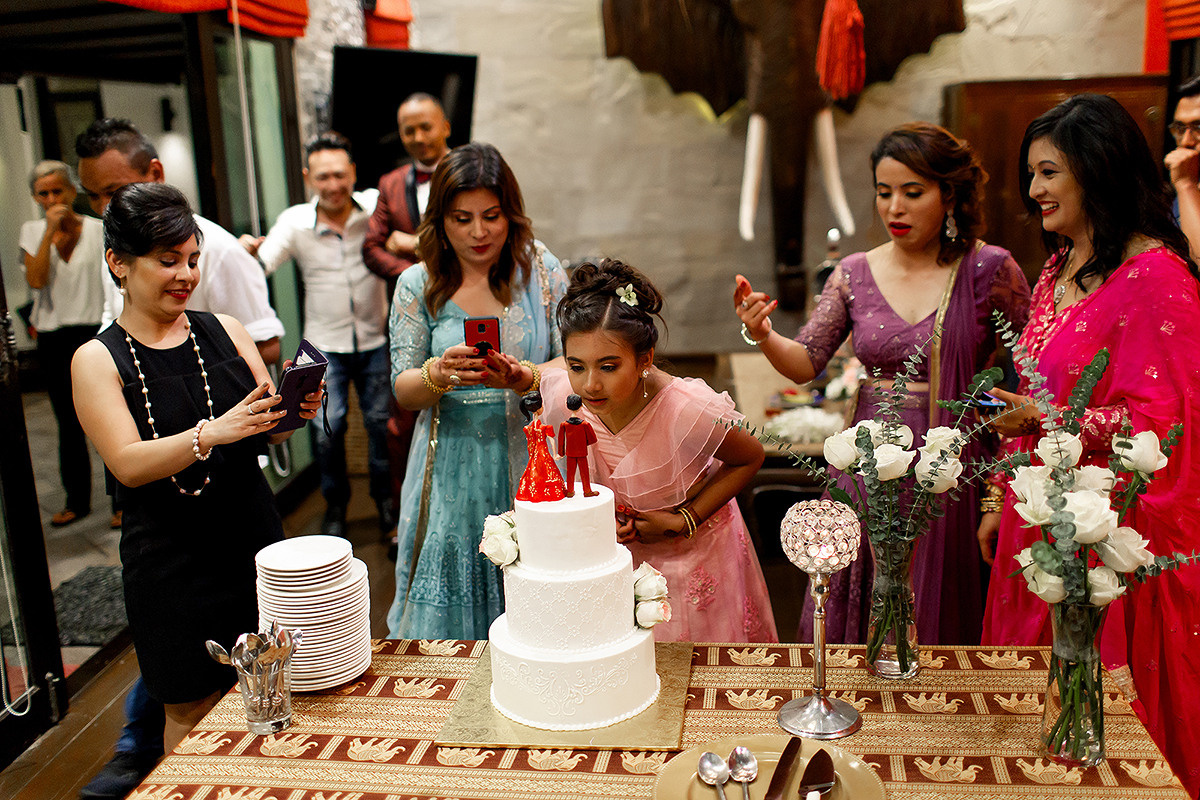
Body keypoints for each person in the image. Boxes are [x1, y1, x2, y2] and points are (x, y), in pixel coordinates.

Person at [978, 93, 1200, 796]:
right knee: (1026, 730)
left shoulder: (1159, 277)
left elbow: (1169, 422)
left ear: (1096, 169)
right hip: (1040, 511)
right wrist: (1002, 477)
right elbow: (1040, 391)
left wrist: (1053, 421)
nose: (1034, 190)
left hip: (1111, 527)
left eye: (1048, 172)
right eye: (1033, 174)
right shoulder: (1057, 267)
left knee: (1098, 734)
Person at [734, 122, 1031, 647]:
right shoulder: (854, 271)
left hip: (950, 469)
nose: (894, 207)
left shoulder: (989, 269)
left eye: (912, 193)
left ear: (951, 195)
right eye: (883, 192)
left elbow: (1030, 376)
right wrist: (761, 333)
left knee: (936, 613)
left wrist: (999, 489)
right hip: (867, 465)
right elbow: (806, 361)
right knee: (860, 603)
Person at [70, 184, 321, 785]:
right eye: (167, 260)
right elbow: (127, 462)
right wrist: (214, 431)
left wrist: (291, 413)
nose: (185, 274)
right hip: (171, 561)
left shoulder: (225, 329)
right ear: (118, 263)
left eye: (191, 259)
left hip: (253, 542)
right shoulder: (96, 360)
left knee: (278, 690)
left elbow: (263, 431)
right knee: (187, 706)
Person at [536, 258, 777, 643]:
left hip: (695, 560)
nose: (590, 385)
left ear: (644, 359)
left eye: (609, 367)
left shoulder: (687, 408)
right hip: (622, 562)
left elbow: (751, 456)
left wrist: (685, 520)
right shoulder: (570, 395)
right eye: (577, 366)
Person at [386, 142, 568, 640]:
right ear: (439, 221)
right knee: (450, 630)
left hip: (529, 456)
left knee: (535, 601)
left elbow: (574, 365)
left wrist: (524, 375)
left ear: (511, 214)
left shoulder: (542, 274)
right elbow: (402, 388)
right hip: (447, 465)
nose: (479, 232)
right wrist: (437, 375)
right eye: (462, 219)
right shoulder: (417, 285)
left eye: (492, 216)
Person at [242, 131, 391, 539]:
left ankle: (386, 507)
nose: (333, 185)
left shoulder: (376, 208)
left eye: (340, 175)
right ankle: (336, 508)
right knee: (329, 430)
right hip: (324, 344)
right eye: (323, 176)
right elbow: (263, 264)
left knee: (381, 425)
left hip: (377, 337)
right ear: (309, 177)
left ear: (353, 173)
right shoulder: (294, 222)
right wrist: (244, 253)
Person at [364, 93, 454, 554]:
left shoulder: (471, 172)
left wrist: (417, 247)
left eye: (425, 127)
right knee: (399, 424)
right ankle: (409, 518)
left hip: (466, 307)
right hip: (411, 315)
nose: (418, 138)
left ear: (446, 126)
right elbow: (372, 247)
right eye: (408, 131)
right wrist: (419, 277)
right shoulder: (391, 182)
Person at [19, 161, 105, 527]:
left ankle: (121, 502)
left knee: (108, 415)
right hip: (54, 336)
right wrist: (48, 232)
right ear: (35, 198)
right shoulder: (30, 231)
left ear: (73, 191)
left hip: (94, 330)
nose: (53, 198)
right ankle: (77, 500)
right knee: (67, 422)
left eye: (59, 190)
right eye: (44, 193)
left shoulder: (100, 230)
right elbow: (37, 281)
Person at [1165, 76, 1200, 259]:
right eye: (1180, 129)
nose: (1187, 141)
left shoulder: (1186, 181)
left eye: (1198, 127)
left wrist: (1187, 184)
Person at [515, 390, 566, 501]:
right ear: (539, 408)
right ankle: (547, 493)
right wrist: (555, 453)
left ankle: (536, 491)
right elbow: (551, 440)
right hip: (543, 451)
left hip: (534, 453)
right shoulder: (543, 427)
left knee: (534, 471)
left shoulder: (529, 428)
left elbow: (529, 442)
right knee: (547, 471)